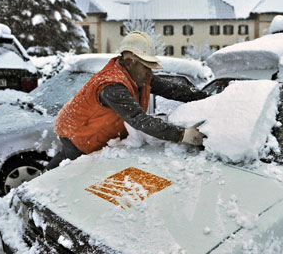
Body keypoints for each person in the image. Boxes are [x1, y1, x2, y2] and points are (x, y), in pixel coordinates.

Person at [45, 31, 208, 170]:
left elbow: (172, 89)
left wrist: (207, 98)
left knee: (65, 167)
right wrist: (185, 135)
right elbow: (139, 119)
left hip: (91, 128)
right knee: (73, 175)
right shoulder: (112, 86)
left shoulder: (140, 76)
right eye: (146, 66)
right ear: (130, 62)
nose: (149, 72)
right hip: (78, 132)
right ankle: (37, 190)